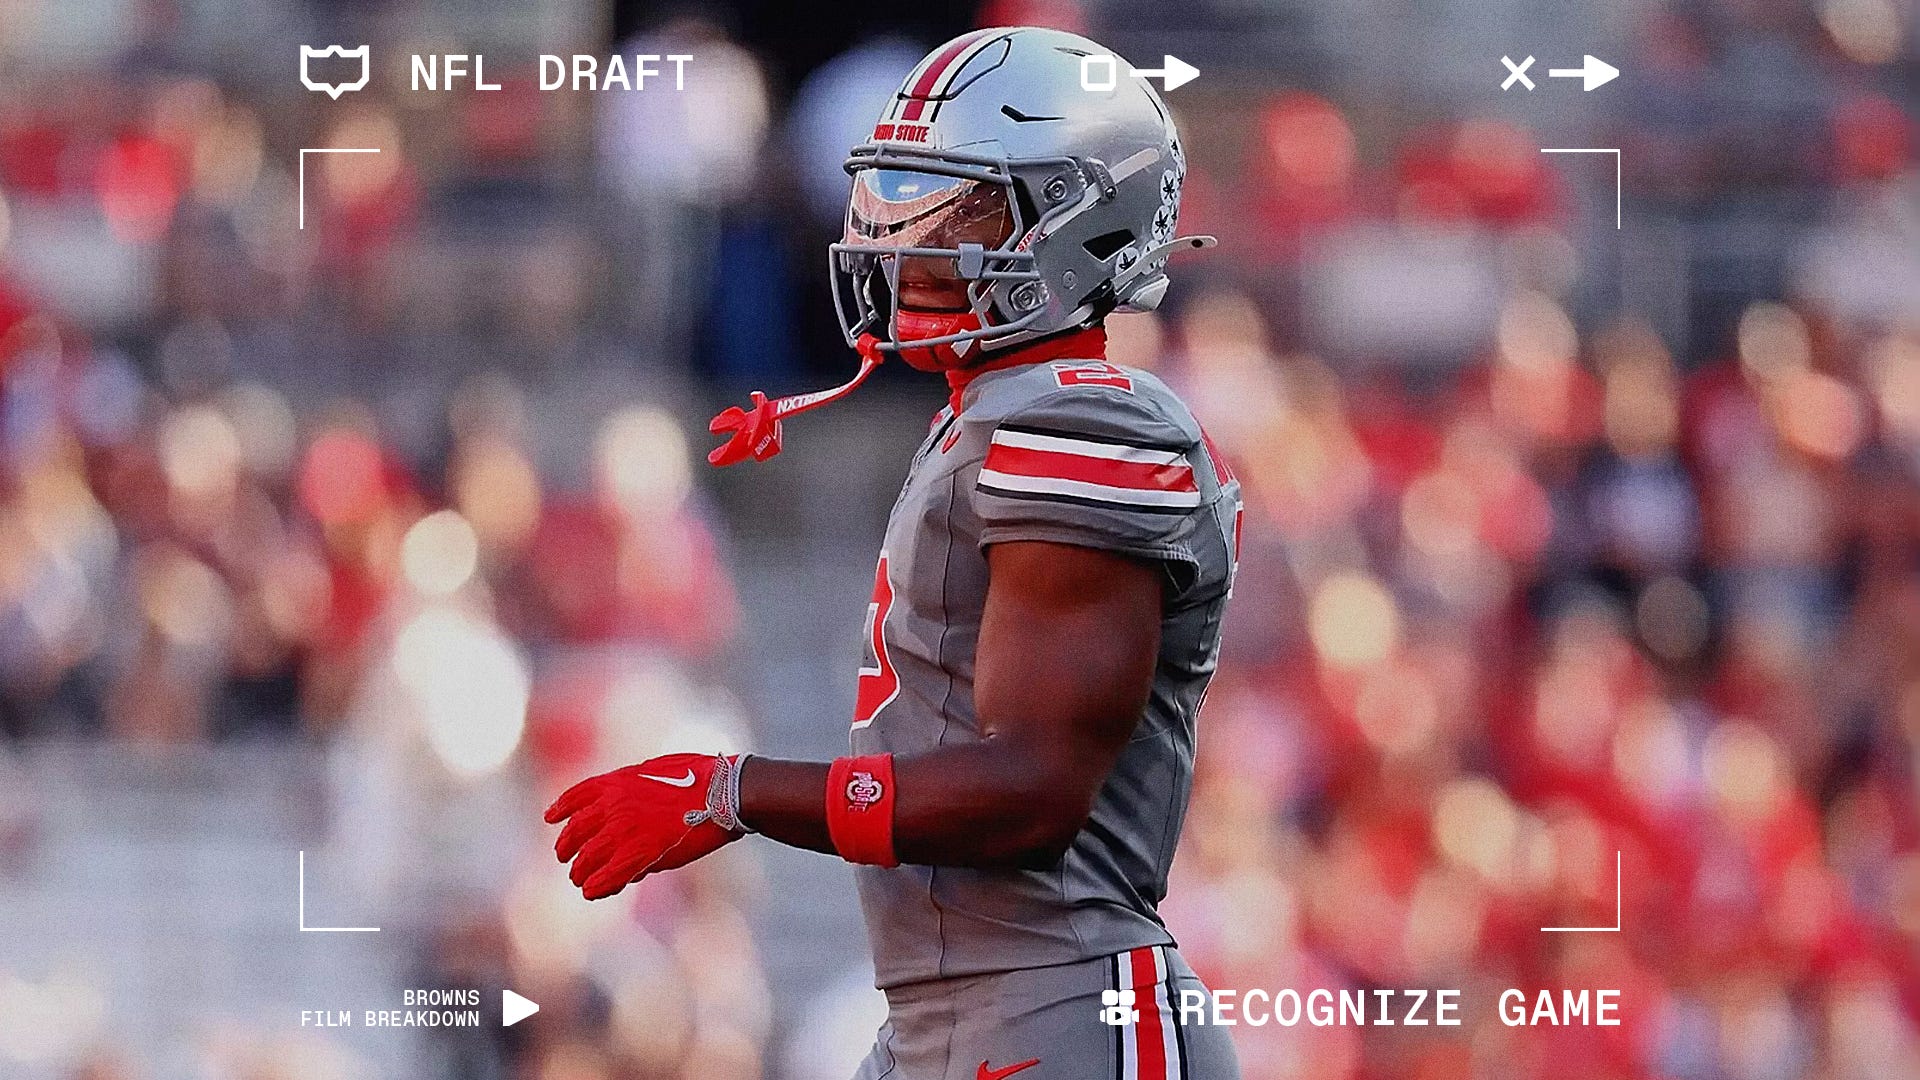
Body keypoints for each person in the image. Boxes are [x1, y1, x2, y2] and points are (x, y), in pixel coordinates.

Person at [546, 27, 1242, 1079]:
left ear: (1081, 220)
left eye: (958, 204)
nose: (902, 235)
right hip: (954, 1007)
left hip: (1061, 1003)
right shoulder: (994, 413)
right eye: (895, 192)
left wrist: (734, 791)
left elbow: (1032, 791)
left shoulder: (1086, 424)